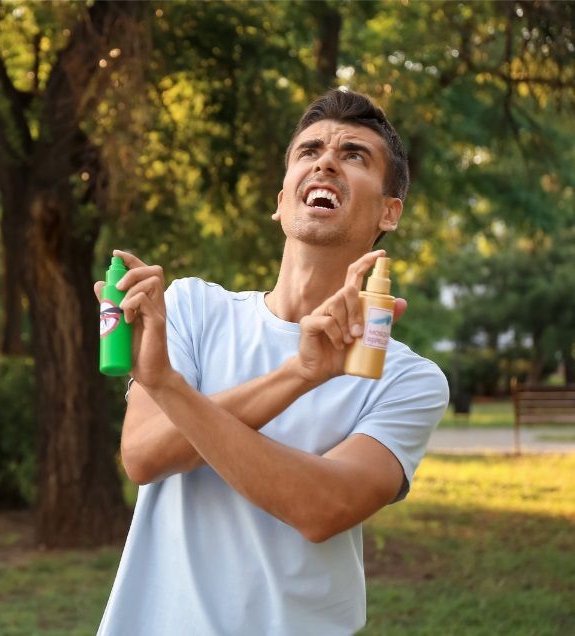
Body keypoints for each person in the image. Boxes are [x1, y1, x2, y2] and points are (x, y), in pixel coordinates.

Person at [94, 90, 449, 635]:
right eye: (308, 152)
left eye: (355, 155)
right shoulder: (191, 309)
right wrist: (297, 375)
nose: (326, 161)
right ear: (282, 197)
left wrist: (169, 388)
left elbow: (321, 508)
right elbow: (143, 457)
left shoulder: (406, 378)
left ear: (389, 211)